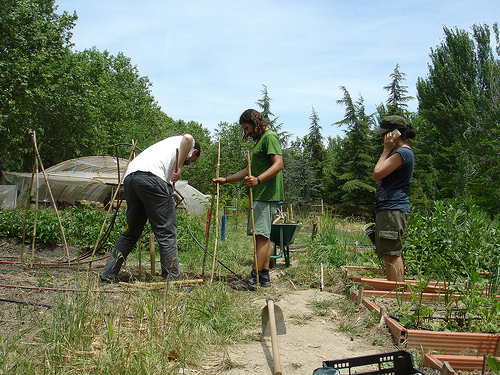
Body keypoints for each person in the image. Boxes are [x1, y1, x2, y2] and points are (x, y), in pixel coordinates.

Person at [100, 134, 201, 283]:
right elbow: (188, 138)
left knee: (131, 233)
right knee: (166, 232)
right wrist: (179, 168)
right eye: (191, 161)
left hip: (131, 179)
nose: (188, 164)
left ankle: (108, 274)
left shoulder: (164, 147)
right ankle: (172, 280)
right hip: (152, 179)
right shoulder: (186, 144)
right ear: (194, 152)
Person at [214, 109, 284, 290]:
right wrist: (226, 180)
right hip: (263, 194)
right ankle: (264, 277)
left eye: (247, 128)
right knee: (263, 237)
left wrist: (259, 180)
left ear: (255, 122)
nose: (246, 132)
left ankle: (254, 279)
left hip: (265, 194)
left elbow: (279, 164)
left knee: (259, 236)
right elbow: (249, 170)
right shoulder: (262, 140)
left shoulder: (269, 137)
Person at [371, 115, 416, 282]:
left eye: (385, 134)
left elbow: (377, 174)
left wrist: (385, 150)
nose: (382, 138)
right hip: (388, 209)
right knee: (388, 254)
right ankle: (393, 289)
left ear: (394, 134)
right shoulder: (399, 153)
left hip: (393, 208)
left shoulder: (402, 153)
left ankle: (397, 293)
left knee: (392, 254)